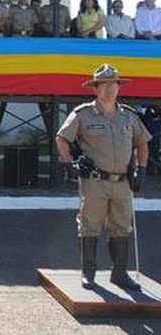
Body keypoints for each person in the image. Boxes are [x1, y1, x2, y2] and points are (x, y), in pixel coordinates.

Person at [56, 64, 150, 291]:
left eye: (114, 85)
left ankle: (119, 273)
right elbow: (62, 138)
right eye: (104, 85)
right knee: (89, 226)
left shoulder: (129, 115)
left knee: (121, 226)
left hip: (122, 182)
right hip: (95, 181)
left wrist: (141, 169)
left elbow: (142, 142)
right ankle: (88, 273)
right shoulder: (83, 114)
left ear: (119, 87)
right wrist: (70, 164)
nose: (110, 89)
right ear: (95, 89)